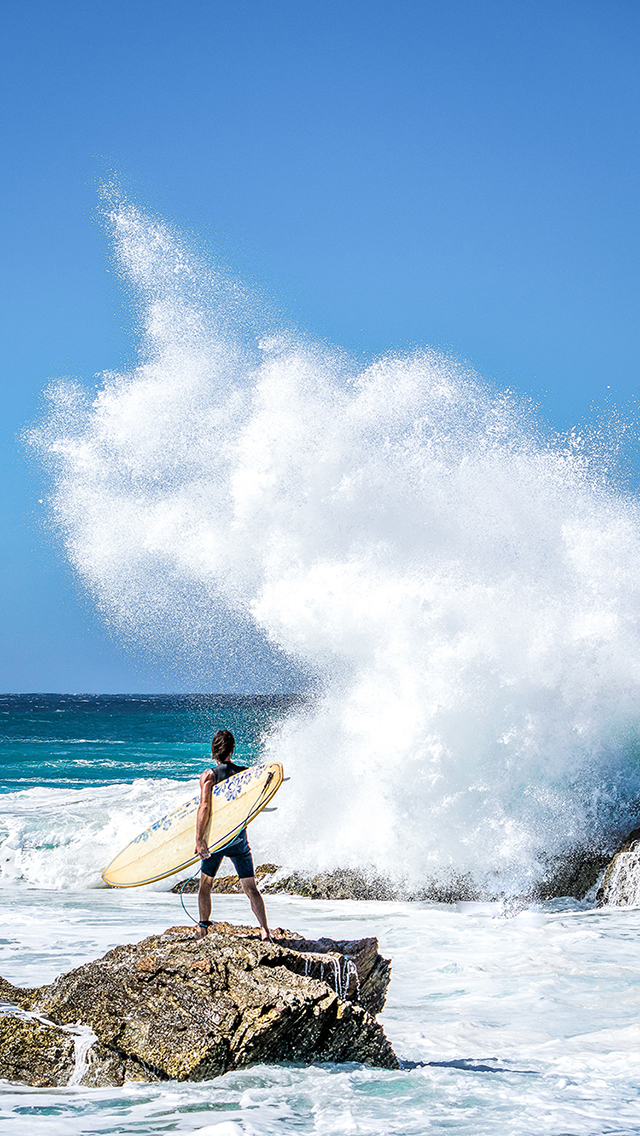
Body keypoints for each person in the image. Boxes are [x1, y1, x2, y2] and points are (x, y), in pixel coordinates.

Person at [194, 728, 270, 942]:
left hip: (217, 840)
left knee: (206, 885)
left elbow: (204, 807)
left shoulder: (208, 775)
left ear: (213, 751)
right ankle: (264, 929)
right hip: (238, 839)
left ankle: (203, 930)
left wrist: (200, 840)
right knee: (251, 888)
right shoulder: (245, 773)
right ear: (232, 749)